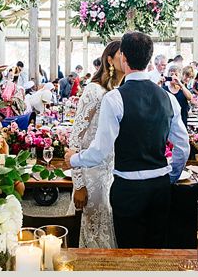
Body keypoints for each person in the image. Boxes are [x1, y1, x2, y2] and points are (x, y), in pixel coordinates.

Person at [64, 32, 189, 249]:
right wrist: (171, 176)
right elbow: (183, 147)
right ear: (149, 59)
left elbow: (100, 151)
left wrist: (73, 159)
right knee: (156, 248)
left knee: (128, 250)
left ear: (123, 57)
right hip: (160, 186)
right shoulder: (168, 97)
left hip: (128, 188)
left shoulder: (115, 98)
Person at [67, 41, 124, 248]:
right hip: (91, 173)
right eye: (121, 55)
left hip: (110, 172)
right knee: (94, 235)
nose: (125, 59)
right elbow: (75, 139)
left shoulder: (118, 91)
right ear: (109, 59)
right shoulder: (94, 90)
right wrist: (79, 184)